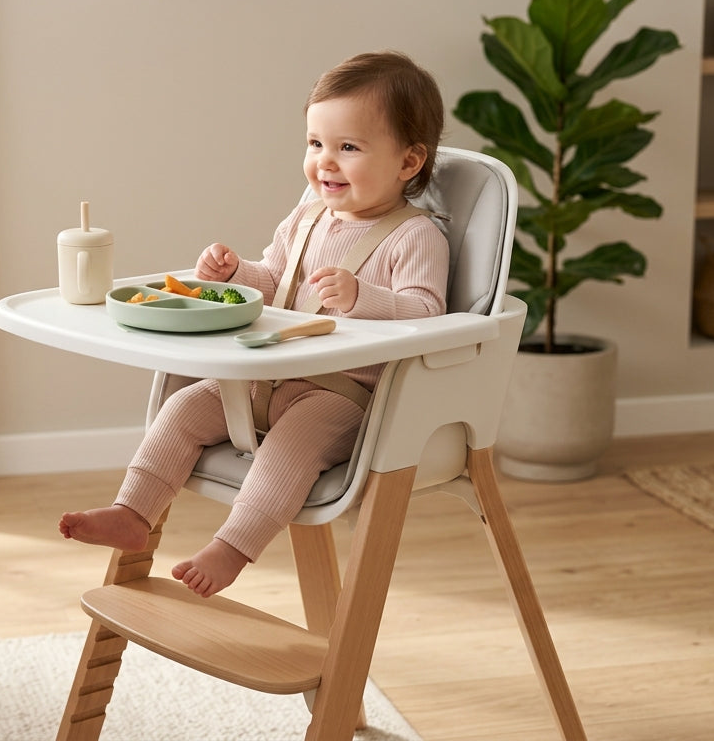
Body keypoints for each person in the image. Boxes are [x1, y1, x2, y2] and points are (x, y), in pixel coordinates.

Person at [59, 50, 449, 597]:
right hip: (264, 374)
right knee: (183, 408)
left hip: (343, 394)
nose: (325, 162)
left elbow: (428, 313)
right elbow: (275, 281)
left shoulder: (415, 237)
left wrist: (367, 298)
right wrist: (235, 273)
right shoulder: (306, 218)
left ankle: (233, 546)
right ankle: (132, 510)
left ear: (408, 163)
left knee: (288, 450)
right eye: (316, 144)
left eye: (348, 147)